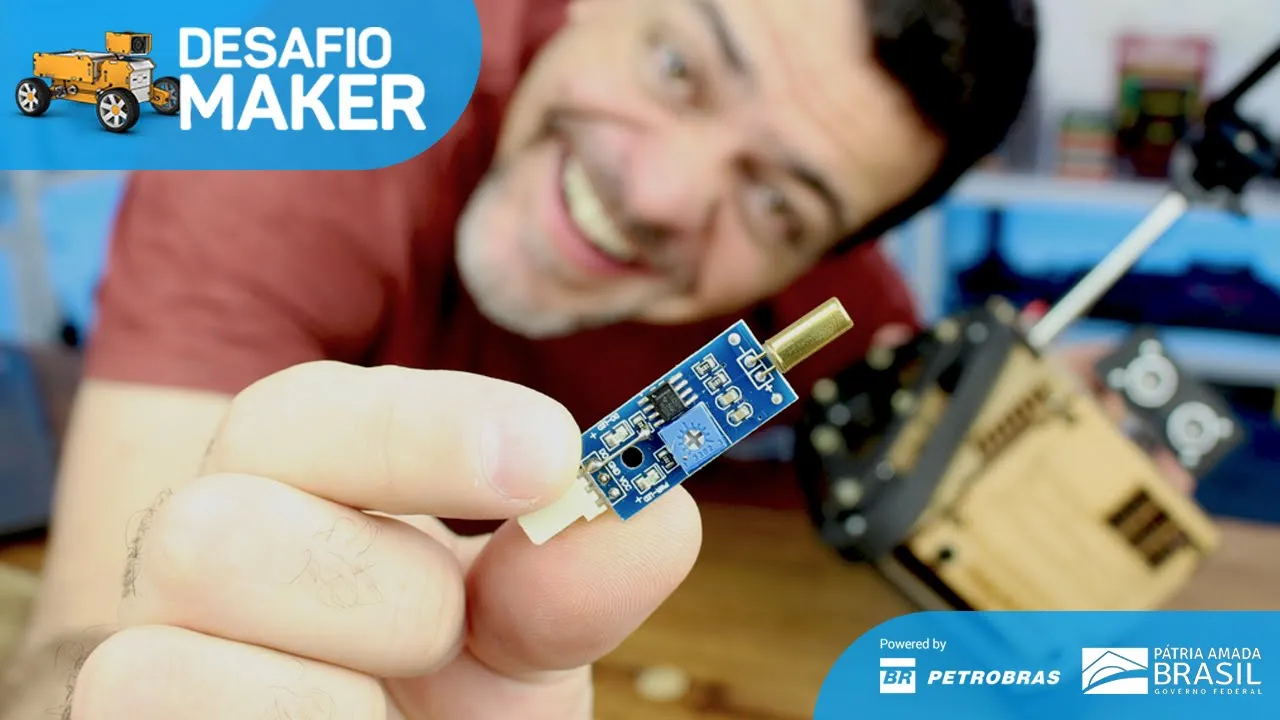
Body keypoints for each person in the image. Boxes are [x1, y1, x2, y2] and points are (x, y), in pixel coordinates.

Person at [0, 0, 1043, 717]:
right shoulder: (307, 129)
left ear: (826, 251)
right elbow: (74, 661)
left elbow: (973, 437)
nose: (659, 193)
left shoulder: (820, 313)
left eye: (776, 202)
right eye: (679, 67)